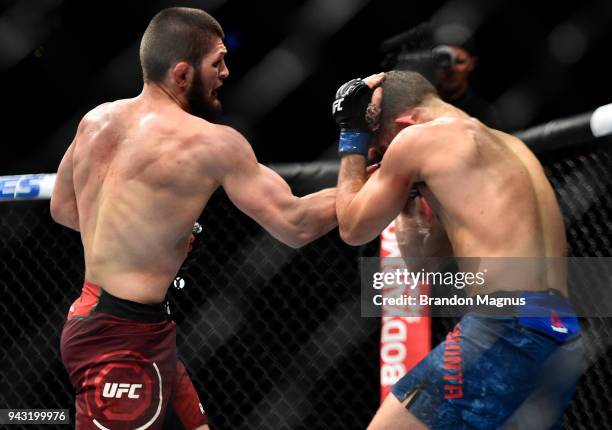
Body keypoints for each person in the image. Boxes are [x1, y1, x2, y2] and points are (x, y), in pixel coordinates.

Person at [51, 7, 336, 429]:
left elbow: (64, 209)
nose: (226, 72)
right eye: (216, 61)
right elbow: (295, 224)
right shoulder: (212, 142)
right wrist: (382, 180)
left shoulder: (96, 119)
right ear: (182, 74)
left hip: (115, 321)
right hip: (120, 338)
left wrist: (143, 233)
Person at [333, 71, 584, 429]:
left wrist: (352, 139)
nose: (383, 156)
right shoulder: (511, 146)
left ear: (407, 122)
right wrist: (406, 202)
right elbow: (422, 261)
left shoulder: (418, 139)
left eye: (383, 146)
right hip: (560, 334)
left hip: (504, 327)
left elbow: (352, 228)